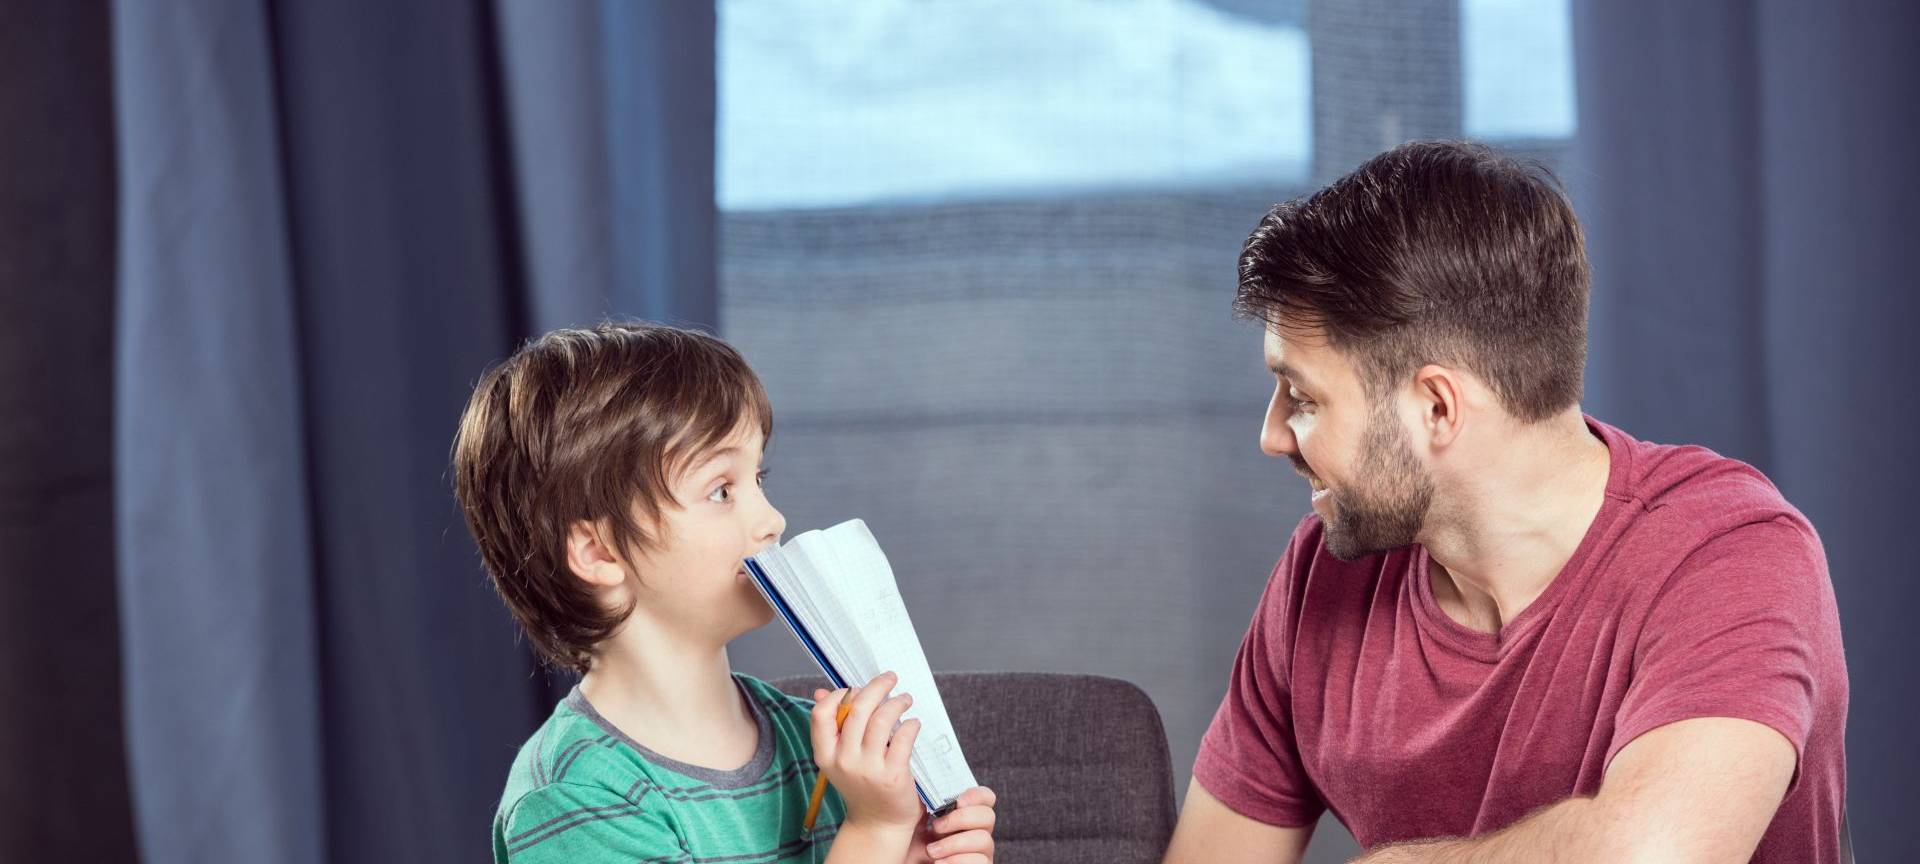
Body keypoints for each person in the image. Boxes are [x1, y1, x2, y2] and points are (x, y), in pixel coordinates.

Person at [1164, 141, 1847, 863]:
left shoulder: (1730, 555)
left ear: (1436, 408)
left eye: (1302, 398)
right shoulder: (1322, 577)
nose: (1272, 436)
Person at [452, 322, 997, 863]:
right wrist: (875, 830)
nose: (772, 521)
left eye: (758, 479)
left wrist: (912, 856)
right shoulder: (576, 798)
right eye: (721, 490)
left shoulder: (821, 746)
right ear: (599, 553)